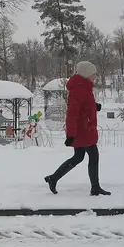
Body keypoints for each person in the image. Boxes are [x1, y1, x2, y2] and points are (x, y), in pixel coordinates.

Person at [44, 60, 110, 196]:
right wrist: (71, 135)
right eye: (92, 74)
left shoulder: (83, 87)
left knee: (78, 156)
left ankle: (53, 178)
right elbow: (72, 113)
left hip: (82, 129)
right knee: (93, 155)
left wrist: (94, 106)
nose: (94, 77)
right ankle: (95, 187)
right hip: (83, 130)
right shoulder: (80, 89)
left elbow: (82, 105)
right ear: (86, 74)